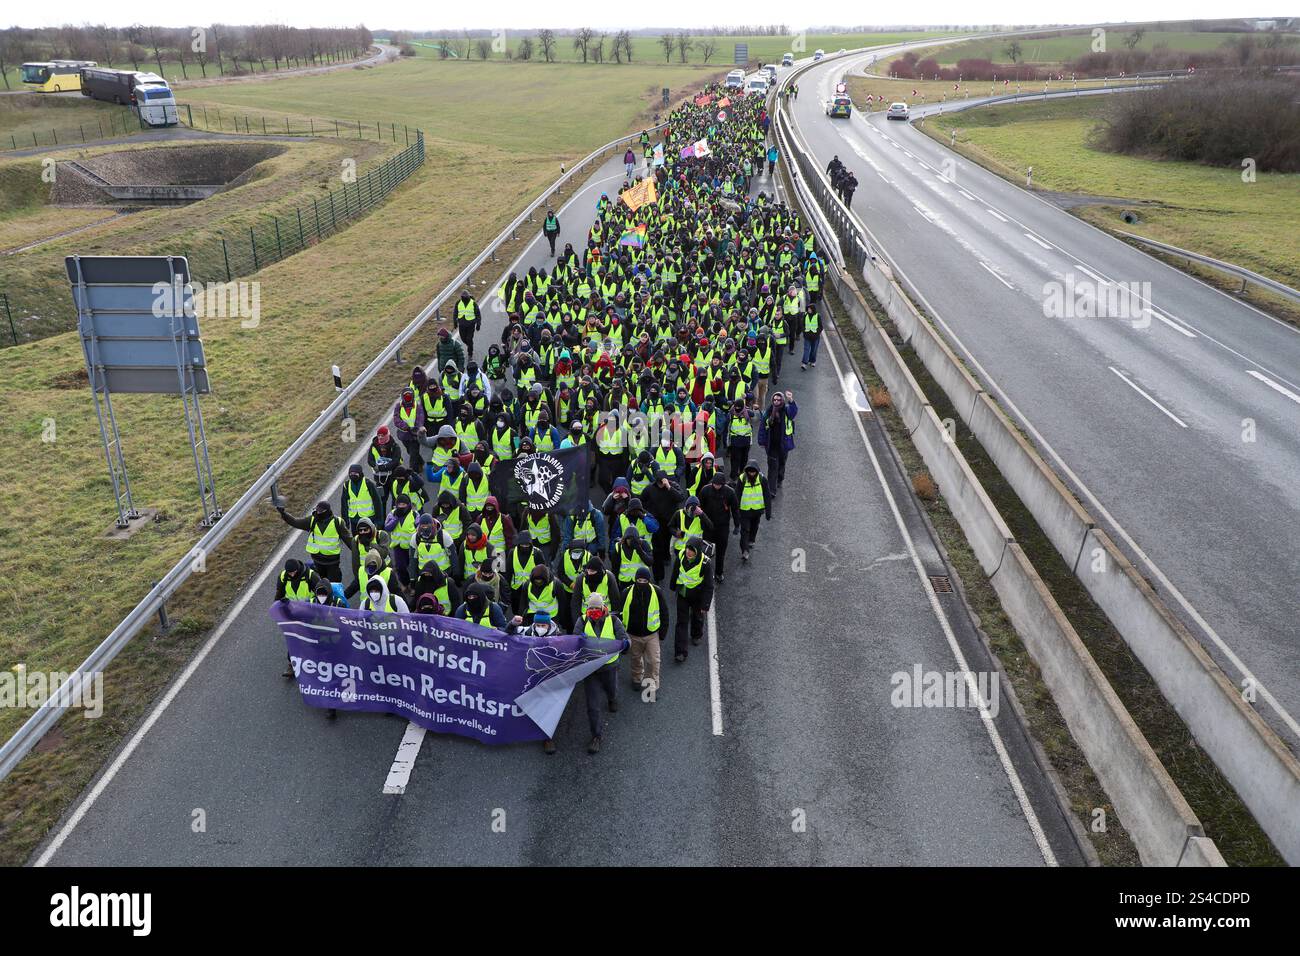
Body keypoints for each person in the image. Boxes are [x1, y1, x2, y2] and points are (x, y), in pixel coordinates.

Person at [580, 592, 628, 754]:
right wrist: (578, 640)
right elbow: (573, 641)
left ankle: (612, 699)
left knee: (611, 690)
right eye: (590, 608)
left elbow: (623, 637)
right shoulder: (581, 621)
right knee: (592, 705)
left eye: (596, 608)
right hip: (590, 669)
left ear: (602, 607)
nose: (593, 611)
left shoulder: (613, 620)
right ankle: (596, 736)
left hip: (609, 666)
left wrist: (626, 643)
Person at [276, 500, 353, 584]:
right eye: (317, 510)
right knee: (320, 586)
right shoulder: (312, 520)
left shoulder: (337, 522)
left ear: (327, 511)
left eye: (320, 511)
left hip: (332, 562)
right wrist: (284, 514)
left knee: (334, 585)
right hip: (317, 561)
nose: (318, 513)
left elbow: (348, 540)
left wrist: (361, 553)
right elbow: (296, 522)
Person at [621, 567, 667, 698]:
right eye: (639, 580)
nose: (641, 582)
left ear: (649, 580)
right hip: (633, 635)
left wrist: (662, 634)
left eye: (644, 580)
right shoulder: (626, 592)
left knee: (653, 661)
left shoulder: (657, 592)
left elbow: (664, 613)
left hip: (651, 635)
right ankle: (636, 678)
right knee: (636, 659)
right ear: (635, 580)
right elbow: (619, 613)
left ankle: (652, 686)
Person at [669, 535, 713, 664]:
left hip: (697, 596)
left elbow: (709, 585)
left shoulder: (705, 563)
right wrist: (673, 587)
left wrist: (705, 605)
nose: (688, 552)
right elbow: (676, 571)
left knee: (697, 617)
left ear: (698, 551)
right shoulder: (681, 555)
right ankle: (680, 652)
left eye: (692, 550)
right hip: (683, 594)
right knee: (681, 622)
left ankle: (696, 634)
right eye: (688, 548)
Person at [699, 471, 739, 582]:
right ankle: (705, 574)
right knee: (706, 552)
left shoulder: (730, 493)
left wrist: (737, 525)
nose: (716, 486)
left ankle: (719, 573)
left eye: (718, 484)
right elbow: (700, 507)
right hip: (708, 527)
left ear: (723, 484)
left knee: (721, 552)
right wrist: (702, 523)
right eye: (714, 484)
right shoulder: (705, 490)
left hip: (723, 527)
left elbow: (735, 509)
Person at [757, 390, 798, 488]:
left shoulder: (786, 410)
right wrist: (761, 441)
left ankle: (779, 479)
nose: (776, 402)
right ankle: (771, 488)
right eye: (774, 400)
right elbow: (762, 427)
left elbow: (793, 412)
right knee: (772, 466)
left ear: (782, 401)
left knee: (781, 463)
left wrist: (791, 400)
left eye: (779, 400)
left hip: (783, 444)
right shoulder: (768, 411)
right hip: (772, 445)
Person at [735, 460, 774, 561]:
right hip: (744, 511)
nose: (751, 474)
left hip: (757, 511)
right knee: (744, 531)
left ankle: (751, 540)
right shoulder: (742, 479)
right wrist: (735, 511)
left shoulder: (762, 479)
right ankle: (745, 550)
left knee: (754, 527)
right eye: (749, 472)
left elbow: (767, 495)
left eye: (753, 472)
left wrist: (768, 512)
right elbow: (737, 496)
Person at [340, 463, 384, 533]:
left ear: (360, 473)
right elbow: (344, 505)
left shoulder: (368, 483)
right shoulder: (346, 485)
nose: (352, 475)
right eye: (351, 473)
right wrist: (345, 522)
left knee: (369, 539)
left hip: (368, 518)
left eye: (355, 473)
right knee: (356, 541)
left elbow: (377, 502)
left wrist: (379, 521)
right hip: (354, 520)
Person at [456, 290, 482, 360]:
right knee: (463, 339)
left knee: (469, 339)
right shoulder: (458, 303)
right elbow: (455, 313)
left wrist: (478, 324)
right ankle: (470, 345)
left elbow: (478, 314)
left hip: (471, 325)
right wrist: (455, 323)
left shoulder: (473, 303)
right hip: (461, 325)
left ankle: (470, 353)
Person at [800, 303, 822, 370]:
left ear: (813, 309)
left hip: (815, 337)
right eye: (808, 309)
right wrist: (804, 332)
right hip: (807, 336)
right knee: (806, 349)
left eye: (810, 309)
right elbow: (802, 324)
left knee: (814, 350)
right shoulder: (805, 315)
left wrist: (817, 333)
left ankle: (812, 361)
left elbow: (821, 327)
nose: (808, 310)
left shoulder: (818, 316)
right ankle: (804, 363)